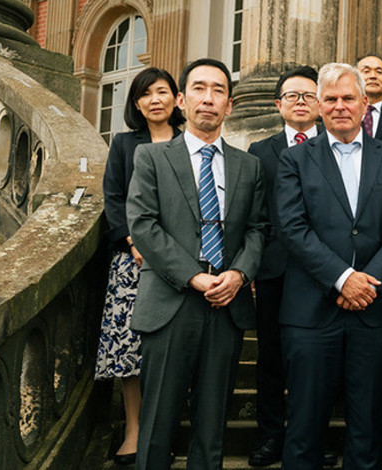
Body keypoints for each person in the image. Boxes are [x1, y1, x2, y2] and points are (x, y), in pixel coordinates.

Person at [275, 62, 382, 470]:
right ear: (320, 106)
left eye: (348, 98)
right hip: (310, 314)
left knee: (367, 429)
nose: (340, 106)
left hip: (374, 311)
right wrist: (343, 279)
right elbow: (292, 227)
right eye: (332, 99)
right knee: (303, 428)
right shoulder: (294, 160)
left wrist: (368, 283)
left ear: (364, 104)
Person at [127, 58, 269, 470]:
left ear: (230, 104)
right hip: (171, 302)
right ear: (181, 100)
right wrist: (194, 277)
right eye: (200, 89)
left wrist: (239, 274)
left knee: (212, 426)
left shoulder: (250, 166)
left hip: (227, 307)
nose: (209, 98)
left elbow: (259, 229)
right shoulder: (150, 158)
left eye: (219, 90)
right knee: (156, 424)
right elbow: (143, 225)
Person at [97, 66, 184, 466]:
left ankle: (163, 428)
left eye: (162, 91)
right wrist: (135, 240)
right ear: (136, 103)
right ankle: (134, 428)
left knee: (171, 349)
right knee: (130, 350)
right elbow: (113, 197)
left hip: (182, 262)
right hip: (133, 260)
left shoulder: (191, 143)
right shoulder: (123, 145)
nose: (154, 100)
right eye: (145, 94)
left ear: (176, 98)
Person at [244, 65, 327, 468]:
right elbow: (255, 214)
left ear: (321, 104)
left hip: (323, 272)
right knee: (271, 358)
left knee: (318, 359)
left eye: (308, 95)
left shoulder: (337, 144)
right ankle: (271, 436)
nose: (300, 102)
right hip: (275, 271)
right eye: (292, 96)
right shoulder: (261, 151)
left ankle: (314, 436)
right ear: (278, 104)